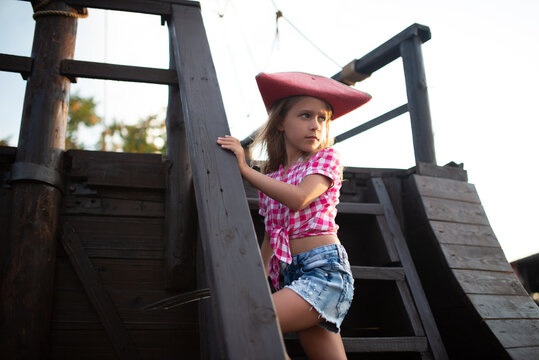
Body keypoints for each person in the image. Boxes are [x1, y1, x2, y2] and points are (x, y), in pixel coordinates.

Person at [217, 72, 371, 359]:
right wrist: (257, 276)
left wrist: (246, 170)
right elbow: (271, 234)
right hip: (290, 277)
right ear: (279, 123)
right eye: (305, 115)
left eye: (322, 118)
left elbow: (300, 199)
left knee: (254, 321)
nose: (316, 125)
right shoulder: (272, 178)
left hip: (324, 272)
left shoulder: (326, 159)